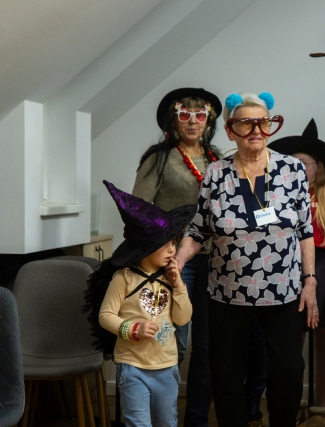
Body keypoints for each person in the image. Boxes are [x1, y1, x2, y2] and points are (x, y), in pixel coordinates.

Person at [172, 91, 320, 426]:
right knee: (226, 374)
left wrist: (310, 281)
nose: (256, 130)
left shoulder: (292, 169)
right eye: (246, 123)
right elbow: (199, 229)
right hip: (228, 293)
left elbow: (305, 230)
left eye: (263, 122)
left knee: (288, 370)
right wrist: (178, 261)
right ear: (230, 131)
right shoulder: (216, 173)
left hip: (282, 291)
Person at [131, 87, 221, 426]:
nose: (193, 122)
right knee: (172, 342)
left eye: (200, 115)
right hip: (172, 262)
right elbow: (138, 210)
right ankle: (160, 418)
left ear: (209, 120)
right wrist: (165, 239)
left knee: (207, 347)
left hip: (215, 262)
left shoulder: (218, 159)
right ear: (174, 120)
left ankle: (196, 420)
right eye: (185, 115)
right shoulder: (159, 158)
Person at [268, 118, 325, 427]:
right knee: (290, 345)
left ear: (318, 168)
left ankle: (321, 408)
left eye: (305, 164)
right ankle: (290, 404)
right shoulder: (277, 200)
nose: (298, 169)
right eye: (293, 164)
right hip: (288, 275)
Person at [94, 180, 194, 427]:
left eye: (174, 243)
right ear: (146, 247)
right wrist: (132, 328)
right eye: (166, 244)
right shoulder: (124, 278)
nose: (172, 250)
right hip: (132, 367)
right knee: (137, 422)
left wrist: (178, 286)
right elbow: (105, 316)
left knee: (166, 421)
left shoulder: (170, 278)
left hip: (166, 366)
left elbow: (183, 319)